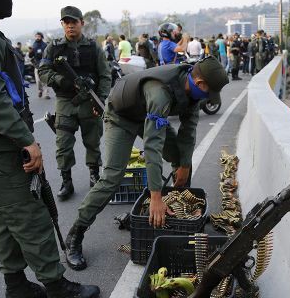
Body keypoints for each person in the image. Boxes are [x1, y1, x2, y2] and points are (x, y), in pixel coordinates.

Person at [0, 0, 100, 297]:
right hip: (0, 148)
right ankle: (57, 285)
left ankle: (16, 285)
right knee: (31, 217)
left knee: (8, 219)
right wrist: (26, 139)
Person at [62, 56, 230, 271]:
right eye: (209, 93)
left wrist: (184, 165)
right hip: (120, 118)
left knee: (180, 159)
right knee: (112, 177)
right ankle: (75, 234)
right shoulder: (160, 93)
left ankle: (181, 217)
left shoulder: (193, 92)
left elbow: (188, 133)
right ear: (200, 84)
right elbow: (153, 147)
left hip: (147, 115)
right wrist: (156, 196)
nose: (209, 98)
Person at [38, 5, 111, 202]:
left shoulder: (93, 47)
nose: (70, 26)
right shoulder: (53, 47)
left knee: (93, 141)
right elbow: (43, 71)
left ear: (81, 23)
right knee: (63, 143)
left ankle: (94, 174)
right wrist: (61, 80)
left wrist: (100, 99)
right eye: (66, 22)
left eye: (74, 22)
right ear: (62, 24)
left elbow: (105, 75)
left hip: (90, 101)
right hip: (65, 102)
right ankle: (66, 181)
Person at [30, 31, 49, 98]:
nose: (37, 38)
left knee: (45, 79)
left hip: (44, 64)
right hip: (37, 65)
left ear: (41, 37)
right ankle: (40, 91)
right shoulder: (34, 45)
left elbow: (48, 54)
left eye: (39, 36)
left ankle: (46, 94)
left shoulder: (45, 45)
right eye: (36, 36)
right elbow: (30, 55)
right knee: (38, 80)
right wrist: (31, 52)